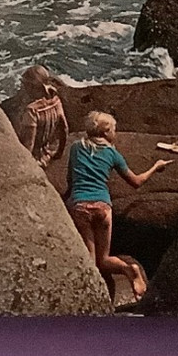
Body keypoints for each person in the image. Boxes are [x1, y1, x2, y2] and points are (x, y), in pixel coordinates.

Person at [65, 110, 169, 299]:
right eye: (114, 130)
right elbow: (136, 182)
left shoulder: (75, 148)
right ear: (105, 133)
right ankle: (130, 269)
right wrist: (156, 166)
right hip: (103, 206)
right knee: (104, 258)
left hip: (80, 206)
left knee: (92, 261)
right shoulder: (113, 155)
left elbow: (70, 180)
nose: (115, 133)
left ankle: (89, 299)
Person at [13, 65, 68, 166]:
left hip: (35, 159)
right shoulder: (56, 101)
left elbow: (29, 143)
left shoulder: (32, 111)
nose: (23, 87)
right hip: (46, 153)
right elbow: (64, 129)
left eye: (25, 84)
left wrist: (26, 165)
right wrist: (59, 152)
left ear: (32, 86)